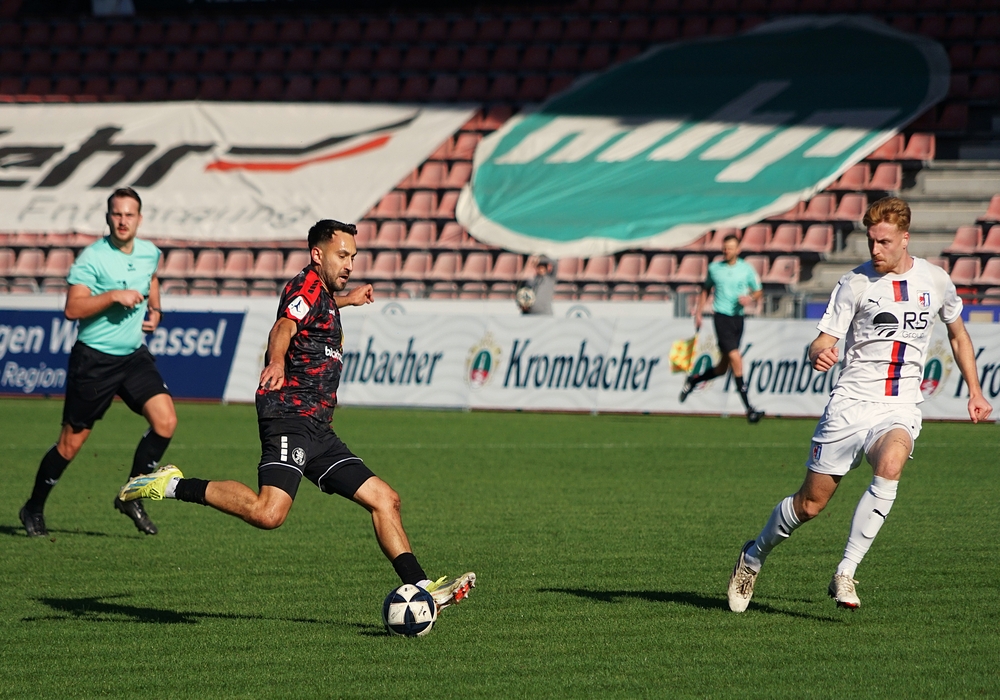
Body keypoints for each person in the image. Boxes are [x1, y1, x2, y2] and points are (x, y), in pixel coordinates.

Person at [117, 219, 476, 610]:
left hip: (318, 428)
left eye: (353, 257)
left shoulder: (323, 294)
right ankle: (171, 484)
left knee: (385, 499)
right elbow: (285, 325)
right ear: (317, 254)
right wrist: (277, 360)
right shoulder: (305, 286)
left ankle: (421, 587)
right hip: (289, 414)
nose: (350, 264)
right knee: (268, 513)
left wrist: (348, 300)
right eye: (342, 255)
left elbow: (314, 311)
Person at [727, 197, 992, 612]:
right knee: (810, 505)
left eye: (884, 242)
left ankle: (845, 572)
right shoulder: (854, 283)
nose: (875, 249)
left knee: (891, 464)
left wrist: (975, 391)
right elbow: (821, 341)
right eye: (871, 241)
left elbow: (958, 335)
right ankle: (754, 554)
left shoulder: (936, 280)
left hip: (899, 406)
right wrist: (819, 354)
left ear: (905, 238)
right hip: (850, 405)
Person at [19, 188, 175, 538]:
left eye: (129, 214)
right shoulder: (92, 258)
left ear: (139, 218)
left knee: (166, 422)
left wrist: (156, 310)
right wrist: (113, 296)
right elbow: (72, 308)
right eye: (117, 214)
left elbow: (151, 277)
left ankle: (131, 495)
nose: (123, 220)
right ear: (108, 217)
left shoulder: (149, 252)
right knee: (70, 444)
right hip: (94, 360)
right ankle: (33, 507)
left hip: (133, 356)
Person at [679, 234, 764, 423]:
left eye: (730, 248)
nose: (727, 251)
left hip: (738, 319)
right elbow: (705, 289)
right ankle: (749, 408)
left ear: (738, 250)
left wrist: (750, 298)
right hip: (721, 317)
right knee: (736, 357)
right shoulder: (715, 268)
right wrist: (699, 312)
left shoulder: (746, 269)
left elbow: (759, 291)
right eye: (725, 248)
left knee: (722, 368)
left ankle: (693, 380)